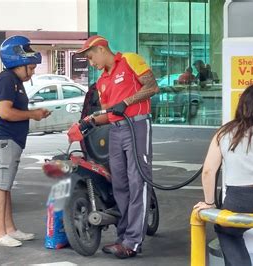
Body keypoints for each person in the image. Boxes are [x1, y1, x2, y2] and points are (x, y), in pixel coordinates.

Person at [76, 35, 159, 259]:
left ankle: (133, 241)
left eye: (91, 57)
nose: (91, 63)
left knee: (137, 181)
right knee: (119, 183)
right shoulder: (102, 82)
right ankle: (123, 237)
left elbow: (152, 86)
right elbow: (108, 113)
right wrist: (89, 121)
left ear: (101, 49)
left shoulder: (130, 60)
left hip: (137, 125)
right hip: (115, 130)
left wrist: (128, 102)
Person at [193, 85, 253, 266]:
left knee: (226, 230)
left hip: (237, 198)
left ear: (241, 106)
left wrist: (210, 203)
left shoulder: (225, 132)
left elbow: (208, 171)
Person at [0, 36, 51, 247]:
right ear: (16, 62)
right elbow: (5, 112)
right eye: (30, 68)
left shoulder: (12, 80)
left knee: (5, 186)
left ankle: (10, 229)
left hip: (8, 140)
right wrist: (33, 114)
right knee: (1, 187)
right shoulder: (6, 80)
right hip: (3, 139)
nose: (31, 73)